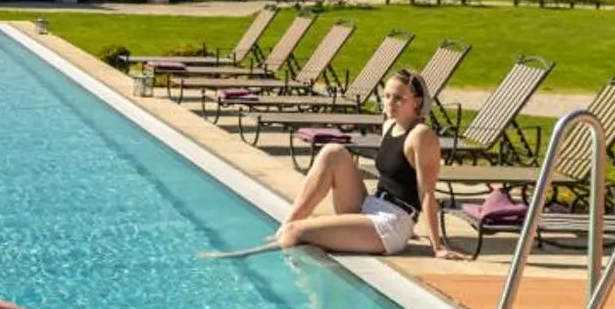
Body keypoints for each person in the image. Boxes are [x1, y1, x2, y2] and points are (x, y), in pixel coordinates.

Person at [199, 70, 468, 261]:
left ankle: (245, 254)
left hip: (392, 225)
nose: (390, 103)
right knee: (334, 152)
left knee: (298, 234)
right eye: (386, 96)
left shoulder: (422, 136)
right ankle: (286, 225)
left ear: (417, 102)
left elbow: (428, 193)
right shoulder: (389, 125)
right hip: (371, 207)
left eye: (399, 98)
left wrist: (437, 247)